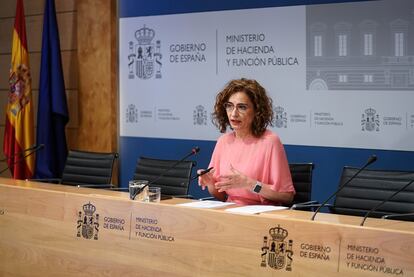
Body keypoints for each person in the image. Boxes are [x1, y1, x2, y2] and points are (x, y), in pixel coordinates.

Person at [198, 78, 295, 205]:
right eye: (229, 106)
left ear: (257, 111)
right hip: (231, 212)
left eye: (242, 107)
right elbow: (221, 196)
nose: (233, 114)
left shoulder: (270, 141)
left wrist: (250, 184)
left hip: (261, 216)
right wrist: (210, 183)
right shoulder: (223, 141)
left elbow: (286, 196)